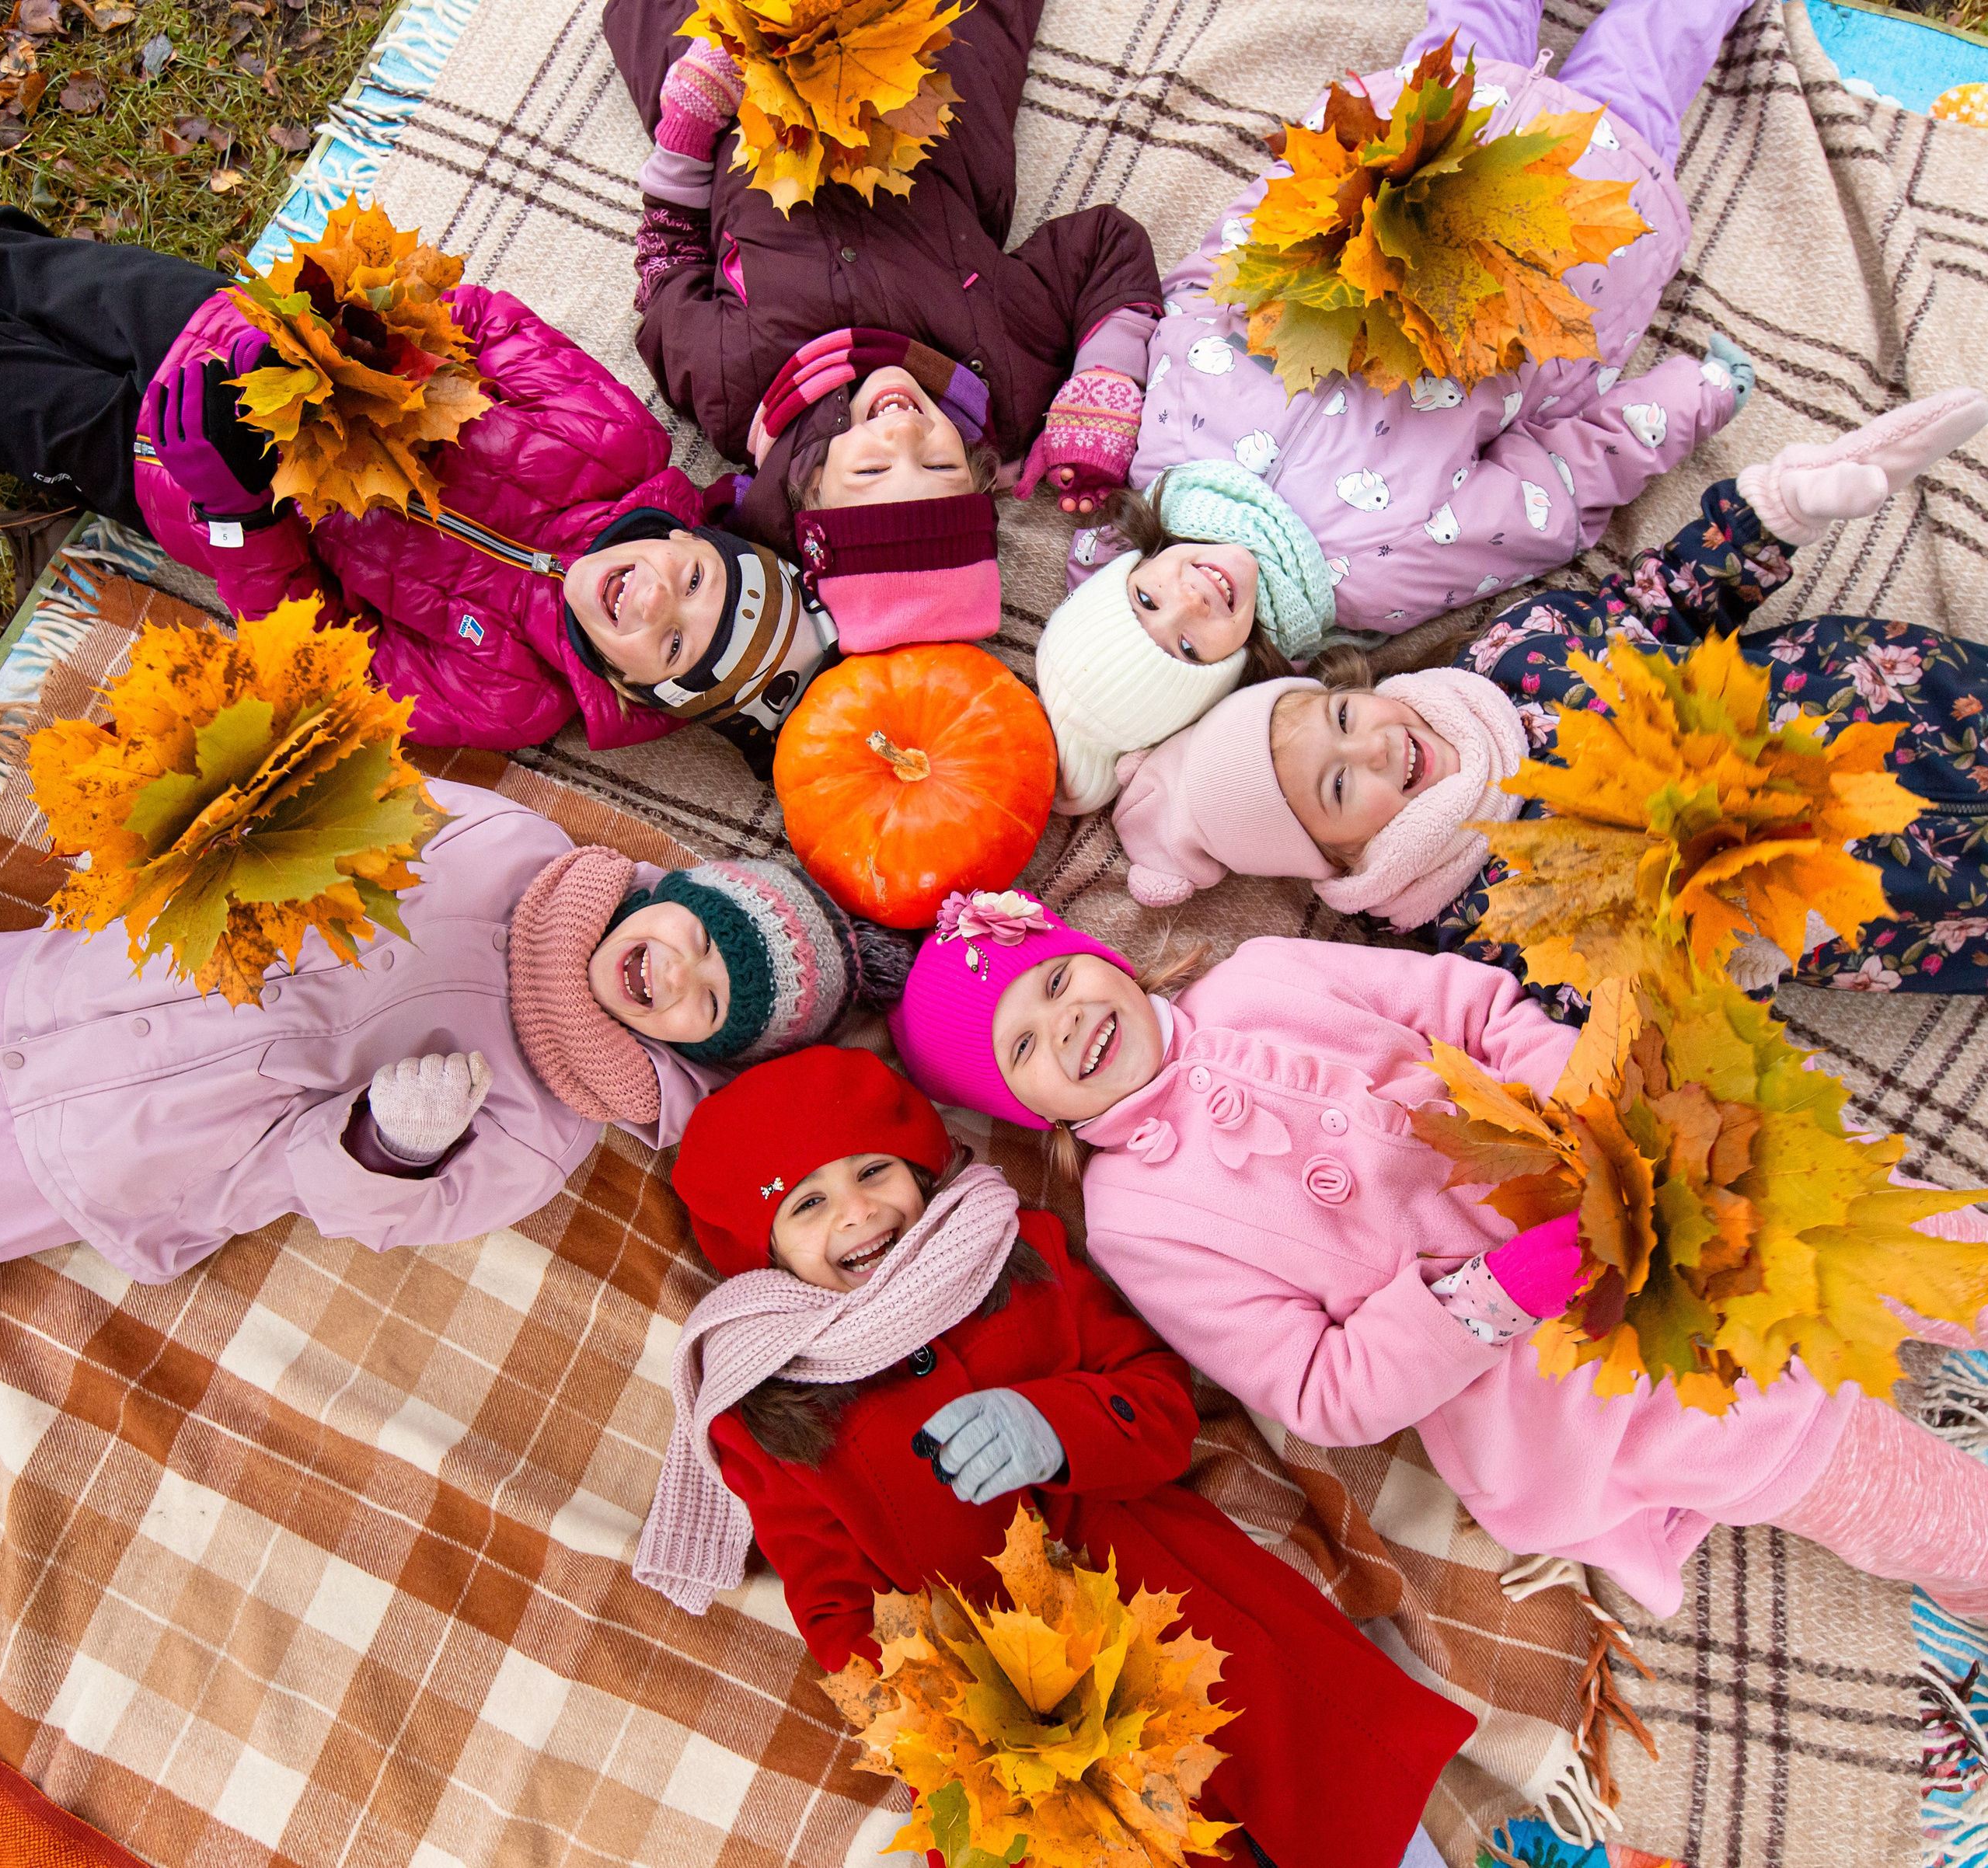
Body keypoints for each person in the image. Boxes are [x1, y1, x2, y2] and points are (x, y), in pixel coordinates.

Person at [885, 888, 1988, 1624]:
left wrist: (1588, 1110)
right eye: (1019, 1049)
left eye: (1053, 983)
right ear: (1022, 1113)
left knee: (1876, 1233)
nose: (1063, 1024)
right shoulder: (1137, 1220)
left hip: (1633, 1164)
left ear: (1096, 955)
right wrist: (1493, 1298)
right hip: (1560, 1370)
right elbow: (1319, 1389)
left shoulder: (1264, 976)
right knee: (1819, 1457)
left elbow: (1476, 1009)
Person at [633, 1043, 1474, 1868]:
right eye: (805, 1204)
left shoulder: (1018, 1252)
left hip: (1186, 1612)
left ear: (922, 1168)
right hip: (1010, 1708)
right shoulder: (764, 1407)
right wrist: (930, 1715)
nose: (855, 1211)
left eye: (872, 1171)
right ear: (764, 1251)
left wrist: (1052, 1423)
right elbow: (832, 1600)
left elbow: (1159, 1405)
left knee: (1340, 1802)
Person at [1034, 0, 1761, 813]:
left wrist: (1313, 178)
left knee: (1468, 23)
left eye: (1146, 601)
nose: (1190, 600)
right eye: (1186, 648)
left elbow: (1213, 280)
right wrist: (1688, 400)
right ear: (1235, 679)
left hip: (1407, 156)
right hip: (1562, 226)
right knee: (1658, 42)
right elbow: (1552, 489)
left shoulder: (1160, 448)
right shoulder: (1375, 577)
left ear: (1126, 568)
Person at [1108, 387, 1988, 1002]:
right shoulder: (1486, 925)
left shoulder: (1515, 655)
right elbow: (1611, 1014)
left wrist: (1771, 512)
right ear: (1339, 863)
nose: (1373, 747)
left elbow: (1664, 599)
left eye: (1342, 718)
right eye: (1339, 786)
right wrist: (1718, 966)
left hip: (1891, 697)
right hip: (1900, 899)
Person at [0, 206, 826, 775]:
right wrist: (350, 345)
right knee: (42, 275)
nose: (651, 600)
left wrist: (239, 516)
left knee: (22, 398)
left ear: (638, 692)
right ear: (691, 539)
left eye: (676, 646)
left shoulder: (510, 698)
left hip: (175, 481)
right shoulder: (619, 445)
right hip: (234, 340)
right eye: (693, 582)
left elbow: (324, 659)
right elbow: (488, 325)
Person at [0, 783, 911, 1283]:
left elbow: (351, 1205)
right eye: (699, 938)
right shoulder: (505, 844)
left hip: (110, 1149)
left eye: (704, 1004)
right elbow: (346, 791)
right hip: (75, 980)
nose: (675, 972)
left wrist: (388, 1148)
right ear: (673, 893)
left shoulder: (542, 1128)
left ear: (693, 1053)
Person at [602, 0, 1163, 646]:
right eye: (941, 469)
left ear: (806, 490)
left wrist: (686, 136)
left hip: (743, 100)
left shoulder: (736, 389)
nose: (903, 435)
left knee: (650, 21)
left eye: (871, 473)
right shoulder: (1009, 373)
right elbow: (1104, 245)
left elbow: (666, 264)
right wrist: (1105, 378)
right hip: (926, 74)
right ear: (980, 477)